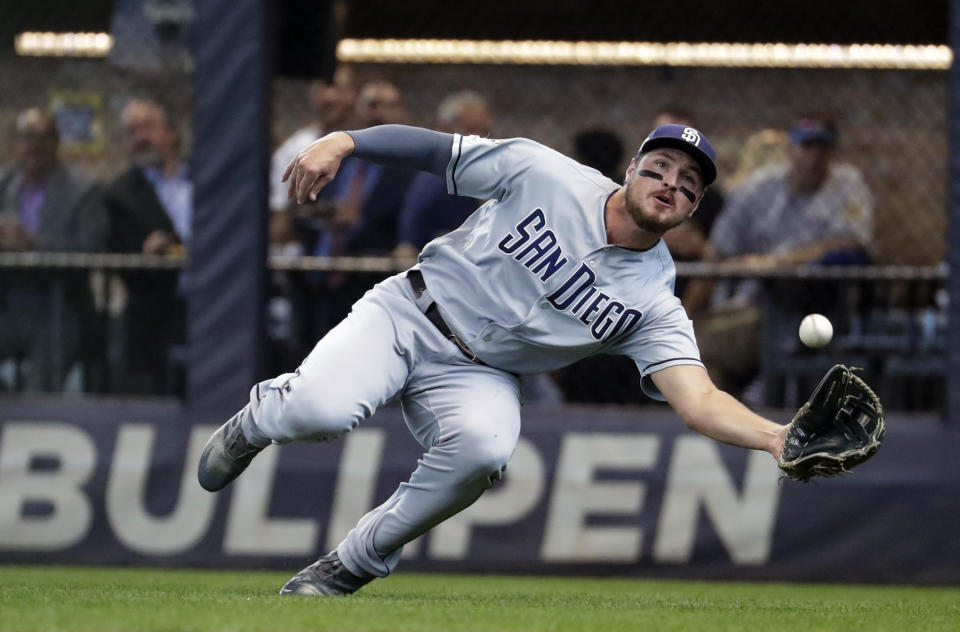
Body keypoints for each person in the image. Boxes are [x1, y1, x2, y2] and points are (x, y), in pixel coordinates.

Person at [197, 122, 791, 597]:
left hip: (481, 374)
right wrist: (345, 141)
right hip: (409, 313)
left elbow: (699, 399)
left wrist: (774, 437)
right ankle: (257, 421)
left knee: (483, 451)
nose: (670, 182)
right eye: (659, 167)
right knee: (317, 412)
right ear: (631, 170)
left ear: (694, 208)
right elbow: (438, 152)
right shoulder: (546, 173)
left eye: (689, 182)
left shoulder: (655, 300)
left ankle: (350, 565)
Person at [688, 114, 874, 397]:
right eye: (806, 147)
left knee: (706, 346)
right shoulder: (759, 188)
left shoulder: (846, 183)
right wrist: (684, 315)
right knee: (694, 349)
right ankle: (727, 421)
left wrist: (774, 263)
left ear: (833, 152)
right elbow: (717, 252)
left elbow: (850, 243)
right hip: (750, 302)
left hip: (816, 305)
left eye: (822, 149)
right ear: (791, 149)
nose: (813, 157)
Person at [0, 107, 107, 391]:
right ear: (14, 143)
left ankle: (32, 425)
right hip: (7, 306)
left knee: (42, 375)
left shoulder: (83, 191)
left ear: (56, 142)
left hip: (60, 310)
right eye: (25, 137)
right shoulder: (3, 185)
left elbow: (91, 249)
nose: (32, 146)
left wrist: (32, 245)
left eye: (40, 137)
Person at [103, 98, 192, 395]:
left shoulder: (204, 179)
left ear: (171, 133)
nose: (140, 138)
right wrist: (145, 256)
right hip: (154, 307)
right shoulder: (119, 194)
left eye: (147, 128)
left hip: (210, 300)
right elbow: (115, 256)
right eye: (131, 132)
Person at [393, 90, 493, 258]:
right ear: (445, 129)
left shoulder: (485, 173)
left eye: (484, 130)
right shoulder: (435, 180)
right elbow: (409, 243)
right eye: (471, 129)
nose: (479, 138)